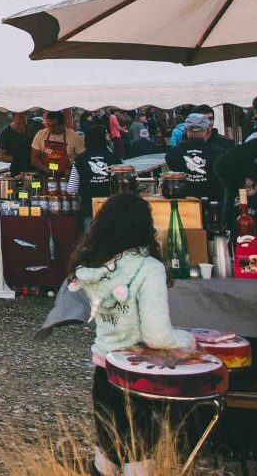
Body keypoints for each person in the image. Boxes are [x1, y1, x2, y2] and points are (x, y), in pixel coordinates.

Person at [66, 192, 195, 476]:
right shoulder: (148, 268)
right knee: (139, 457)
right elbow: (156, 335)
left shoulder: (93, 269)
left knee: (107, 453)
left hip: (104, 370)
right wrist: (188, 341)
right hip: (139, 378)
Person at [164, 112, 231, 203]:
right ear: (207, 130)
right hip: (214, 204)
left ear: (186, 130)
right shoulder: (219, 153)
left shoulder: (173, 154)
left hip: (185, 204)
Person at [68, 120, 119, 219]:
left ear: (86, 140)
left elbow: (71, 189)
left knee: (91, 234)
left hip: (89, 209)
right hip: (111, 209)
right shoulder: (114, 158)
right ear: (104, 139)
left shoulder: (79, 160)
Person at [0, 110, 38, 174]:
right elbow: (1, 156)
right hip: (17, 171)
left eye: (25, 116)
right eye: (20, 117)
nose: (23, 119)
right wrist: (19, 160)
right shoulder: (5, 133)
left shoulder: (35, 126)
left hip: (36, 169)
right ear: (12, 118)